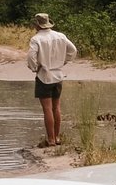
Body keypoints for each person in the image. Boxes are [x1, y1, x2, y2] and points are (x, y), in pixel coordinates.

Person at [26, 13, 77, 147]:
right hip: (58, 75)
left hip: (44, 76)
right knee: (56, 107)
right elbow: (73, 50)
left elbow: (31, 57)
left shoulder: (36, 39)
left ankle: (51, 139)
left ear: (37, 25)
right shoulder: (60, 36)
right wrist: (63, 62)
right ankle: (57, 137)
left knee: (47, 109)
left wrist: (35, 68)